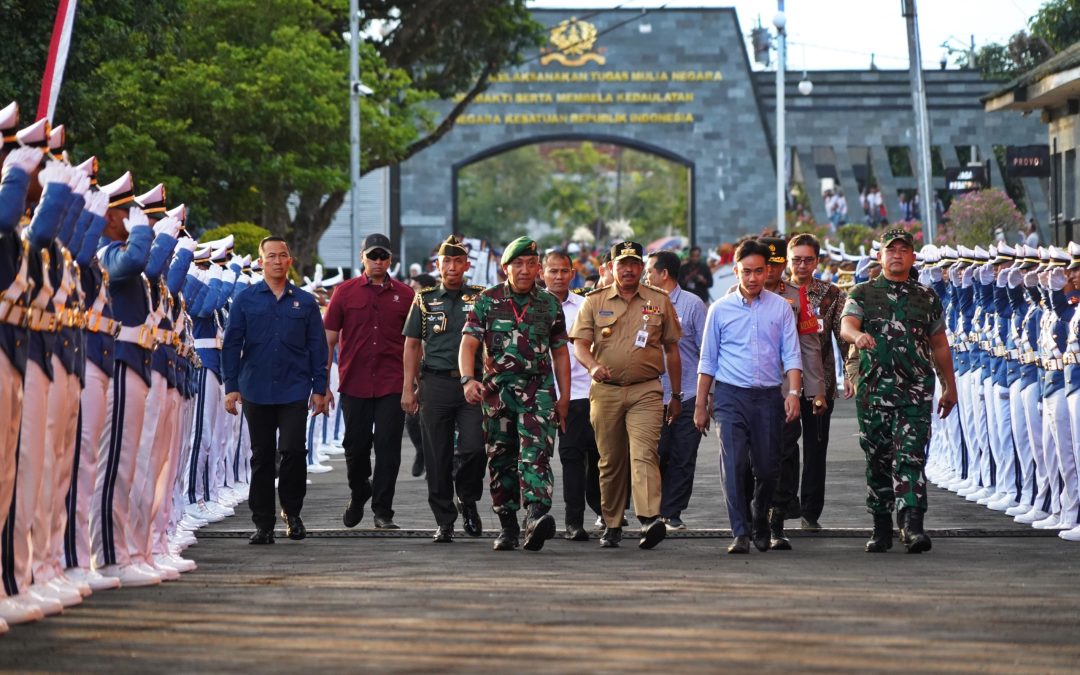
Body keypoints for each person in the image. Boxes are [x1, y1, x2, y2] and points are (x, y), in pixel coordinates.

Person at [840, 228, 958, 554]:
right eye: (891, 250)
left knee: (911, 456)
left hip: (916, 391)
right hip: (874, 392)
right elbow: (847, 324)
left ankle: (912, 525)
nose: (897, 254)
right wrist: (856, 337)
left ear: (912, 256)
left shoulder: (926, 297)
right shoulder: (863, 292)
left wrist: (950, 386)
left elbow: (939, 345)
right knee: (878, 458)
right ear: (880, 256)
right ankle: (881, 526)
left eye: (904, 250)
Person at [459, 236, 570, 552]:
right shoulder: (487, 301)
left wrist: (563, 397)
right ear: (505, 267)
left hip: (539, 391)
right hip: (497, 392)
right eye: (517, 264)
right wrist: (468, 380)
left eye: (530, 264)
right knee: (501, 458)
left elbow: (560, 352)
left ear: (538, 267)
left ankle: (536, 516)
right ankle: (507, 524)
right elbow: (468, 344)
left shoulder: (549, 303)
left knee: (536, 453)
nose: (524, 270)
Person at [693, 239, 803, 555]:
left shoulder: (780, 308)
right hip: (730, 397)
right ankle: (740, 532)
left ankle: (760, 515)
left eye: (758, 271)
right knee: (735, 463)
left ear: (767, 271)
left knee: (768, 468)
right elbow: (708, 360)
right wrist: (701, 404)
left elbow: (791, 354)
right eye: (746, 272)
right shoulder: (719, 309)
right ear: (735, 271)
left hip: (769, 397)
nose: (752, 278)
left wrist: (793, 393)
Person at [571, 241, 682, 550]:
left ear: (642, 266)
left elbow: (672, 349)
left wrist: (676, 394)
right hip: (606, 392)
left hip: (646, 389)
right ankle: (612, 523)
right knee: (611, 460)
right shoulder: (594, 301)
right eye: (623, 264)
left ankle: (649, 518)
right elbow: (579, 344)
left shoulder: (659, 300)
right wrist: (592, 366)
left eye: (634, 263)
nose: (629, 269)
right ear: (612, 268)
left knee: (645, 452)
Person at [221, 236, 328, 544]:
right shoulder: (245, 299)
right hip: (256, 388)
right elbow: (232, 345)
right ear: (261, 262)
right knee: (262, 455)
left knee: (294, 450)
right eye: (271, 256)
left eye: (283, 255)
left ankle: (292, 513)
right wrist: (231, 387)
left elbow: (317, 348)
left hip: (295, 388)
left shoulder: (305, 302)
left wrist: (319, 388)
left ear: (290, 261)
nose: (278, 261)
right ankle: (263, 523)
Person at [401, 235, 487, 543]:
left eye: (457, 261)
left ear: (466, 265)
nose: (451, 267)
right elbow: (412, 345)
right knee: (436, 454)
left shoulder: (481, 297)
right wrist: (408, 388)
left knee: (475, 447)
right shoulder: (424, 299)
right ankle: (444, 519)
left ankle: (467, 497)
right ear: (437, 265)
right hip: (435, 382)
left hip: (472, 383)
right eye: (445, 261)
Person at [325, 233, 414, 530]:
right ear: (361, 257)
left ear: (390, 259)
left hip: (392, 381)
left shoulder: (406, 294)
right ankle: (359, 490)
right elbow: (329, 340)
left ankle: (383, 510)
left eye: (383, 257)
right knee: (355, 446)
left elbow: (415, 343)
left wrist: (414, 383)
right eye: (372, 256)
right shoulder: (344, 292)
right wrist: (322, 384)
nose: (378, 262)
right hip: (355, 381)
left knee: (388, 447)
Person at [757, 237, 827, 550]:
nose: (771, 271)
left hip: (787, 390)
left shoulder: (796, 296)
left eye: (775, 265)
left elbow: (810, 346)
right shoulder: (737, 295)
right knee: (752, 458)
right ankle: (753, 514)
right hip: (748, 392)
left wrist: (815, 391)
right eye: (765, 264)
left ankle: (776, 520)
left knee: (785, 454)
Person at [786, 233, 848, 532]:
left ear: (817, 261)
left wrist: (851, 373)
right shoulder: (777, 292)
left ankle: (810, 511)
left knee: (815, 448)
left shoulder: (831, 294)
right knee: (784, 447)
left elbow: (844, 336)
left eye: (808, 259)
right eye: (796, 259)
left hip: (819, 382)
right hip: (783, 384)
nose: (801, 265)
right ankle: (784, 504)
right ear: (788, 260)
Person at [644, 250, 706, 531]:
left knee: (683, 455)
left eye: (649, 271)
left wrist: (709, 396)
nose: (646, 276)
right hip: (652, 393)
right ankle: (653, 512)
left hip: (689, 393)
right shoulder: (644, 303)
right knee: (656, 453)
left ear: (663, 274)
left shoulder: (693, 305)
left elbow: (708, 351)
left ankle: (673, 512)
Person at [543, 249, 602, 541]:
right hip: (538, 394)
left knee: (581, 457)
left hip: (580, 393)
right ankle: (535, 517)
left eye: (564, 271)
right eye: (552, 271)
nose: (558, 276)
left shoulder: (584, 305)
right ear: (543, 273)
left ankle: (578, 520)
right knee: (537, 459)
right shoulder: (532, 306)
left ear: (572, 273)